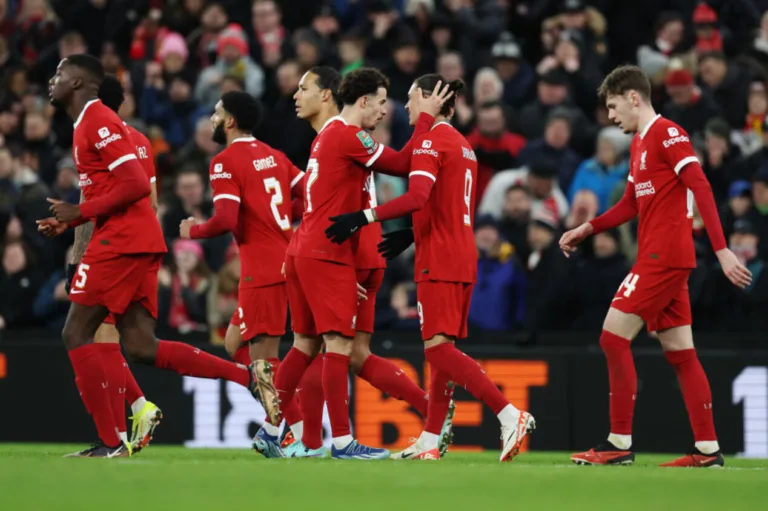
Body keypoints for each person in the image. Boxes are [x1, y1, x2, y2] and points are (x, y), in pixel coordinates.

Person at [37, 54, 280, 458]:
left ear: (80, 83)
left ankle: (112, 441)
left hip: (119, 240)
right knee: (141, 345)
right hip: (141, 240)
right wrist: (72, 220)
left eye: (59, 73)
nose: (52, 80)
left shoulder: (96, 122)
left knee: (78, 332)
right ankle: (243, 376)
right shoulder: (131, 136)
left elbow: (131, 187)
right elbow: (138, 192)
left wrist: (80, 217)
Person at [325, 73, 536, 462]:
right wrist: (411, 231)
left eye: (409, 99)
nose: (404, 107)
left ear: (430, 100)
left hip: (438, 259)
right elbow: (444, 203)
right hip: (460, 253)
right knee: (443, 350)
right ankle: (429, 439)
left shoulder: (430, 141)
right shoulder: (463, 145)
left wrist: (365, 216)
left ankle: (509, 413)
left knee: (438, 352)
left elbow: (418, 195)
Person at [560, 65, 752, 468]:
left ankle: (617, 443)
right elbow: (631, 204)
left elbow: (700, 184)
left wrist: (722, 250)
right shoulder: (639, 144)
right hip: (663, 256)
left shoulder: (668, 133)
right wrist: (587, 228)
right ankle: (706, 450)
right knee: (681, 352)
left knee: (613, 338)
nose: (611, 117)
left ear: (634, 98)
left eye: (614, 107)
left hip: (663, 257)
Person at [273, 66, 455, 459]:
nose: (387, 111)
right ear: (363, 100)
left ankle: (278, 431)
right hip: (334, 251)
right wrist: (426, 119)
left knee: (313, 345)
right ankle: (339, 440)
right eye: (383, 102)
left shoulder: (327, 138)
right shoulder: (349, 135)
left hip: (318, 248)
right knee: (337, 347)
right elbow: (406, 164)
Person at [179, 90, 307, 458]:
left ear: (231, 121)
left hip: (263, 270)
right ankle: (291, 428)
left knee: (264, 361)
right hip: (281, 260)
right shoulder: (274, 155)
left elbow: (225, 220)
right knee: (235, 345)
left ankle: (292, 433)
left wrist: (194, 231)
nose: (213, 119)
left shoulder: (224, 161)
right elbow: (307, 196)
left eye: (217, 112)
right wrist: (281, 212)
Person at [64, 74, 163, 454]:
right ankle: (134, 412)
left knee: (96, 338)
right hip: (135, 245)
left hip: (103, 243)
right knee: (111, 339)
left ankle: (118, 435)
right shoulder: (138, 140)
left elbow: (98, 200)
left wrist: (84, 249)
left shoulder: (95, 132)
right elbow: (151, 202)